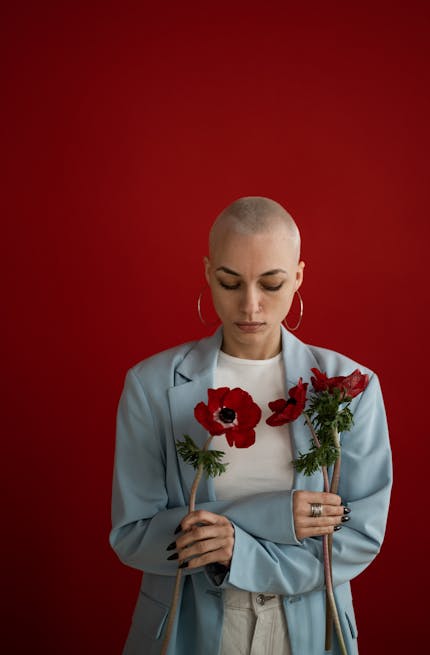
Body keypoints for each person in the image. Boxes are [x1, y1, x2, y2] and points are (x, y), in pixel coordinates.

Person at [110, 196, 392, 655]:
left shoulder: (350, 387)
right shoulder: (151, 385)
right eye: (230, 282)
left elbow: (360, 537)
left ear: (299, 276)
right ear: (207, 272)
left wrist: (240, 551)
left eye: (272, 283)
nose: (250, 305)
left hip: (310, 626)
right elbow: (134, 536)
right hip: (186, 627)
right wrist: (272, 517)